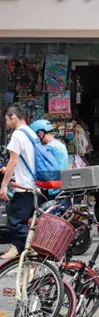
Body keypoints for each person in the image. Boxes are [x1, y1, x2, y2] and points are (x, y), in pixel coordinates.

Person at [0, 105, 38, 260]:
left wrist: (3, 185)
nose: (6, 124)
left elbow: (13, 161)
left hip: (24, 187)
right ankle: (21, 252)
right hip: (32, 186)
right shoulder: (31, 133)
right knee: (21, 220)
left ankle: (35, 246)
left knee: (14, 222)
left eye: (7, 120)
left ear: (13, 116)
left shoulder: (17, 135)